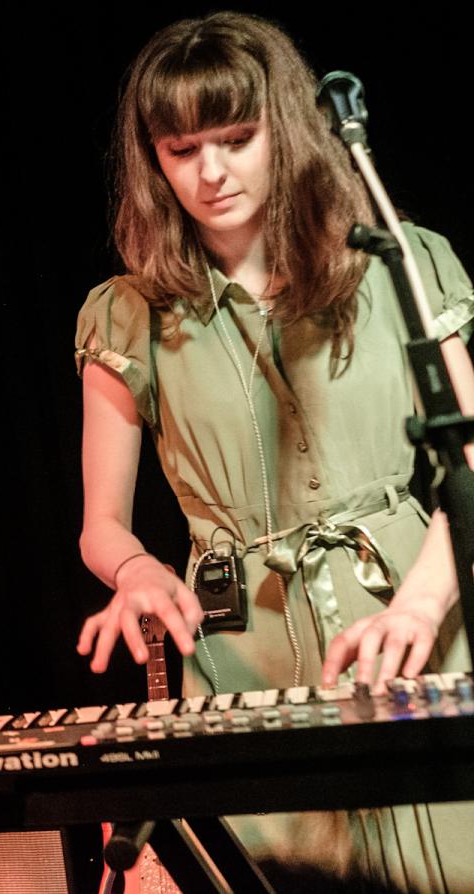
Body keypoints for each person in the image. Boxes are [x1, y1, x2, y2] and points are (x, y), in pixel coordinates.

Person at [74, 12, 473, 891]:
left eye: (236, 138)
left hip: (413, 622)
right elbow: (101, 524)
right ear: (154, 161)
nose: (210, 172)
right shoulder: (127, 314)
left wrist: (419, 606)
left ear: (284, 129)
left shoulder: (396, 266)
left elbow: (473, 469)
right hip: (242, 649)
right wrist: (136, 571)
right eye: (181, 150)